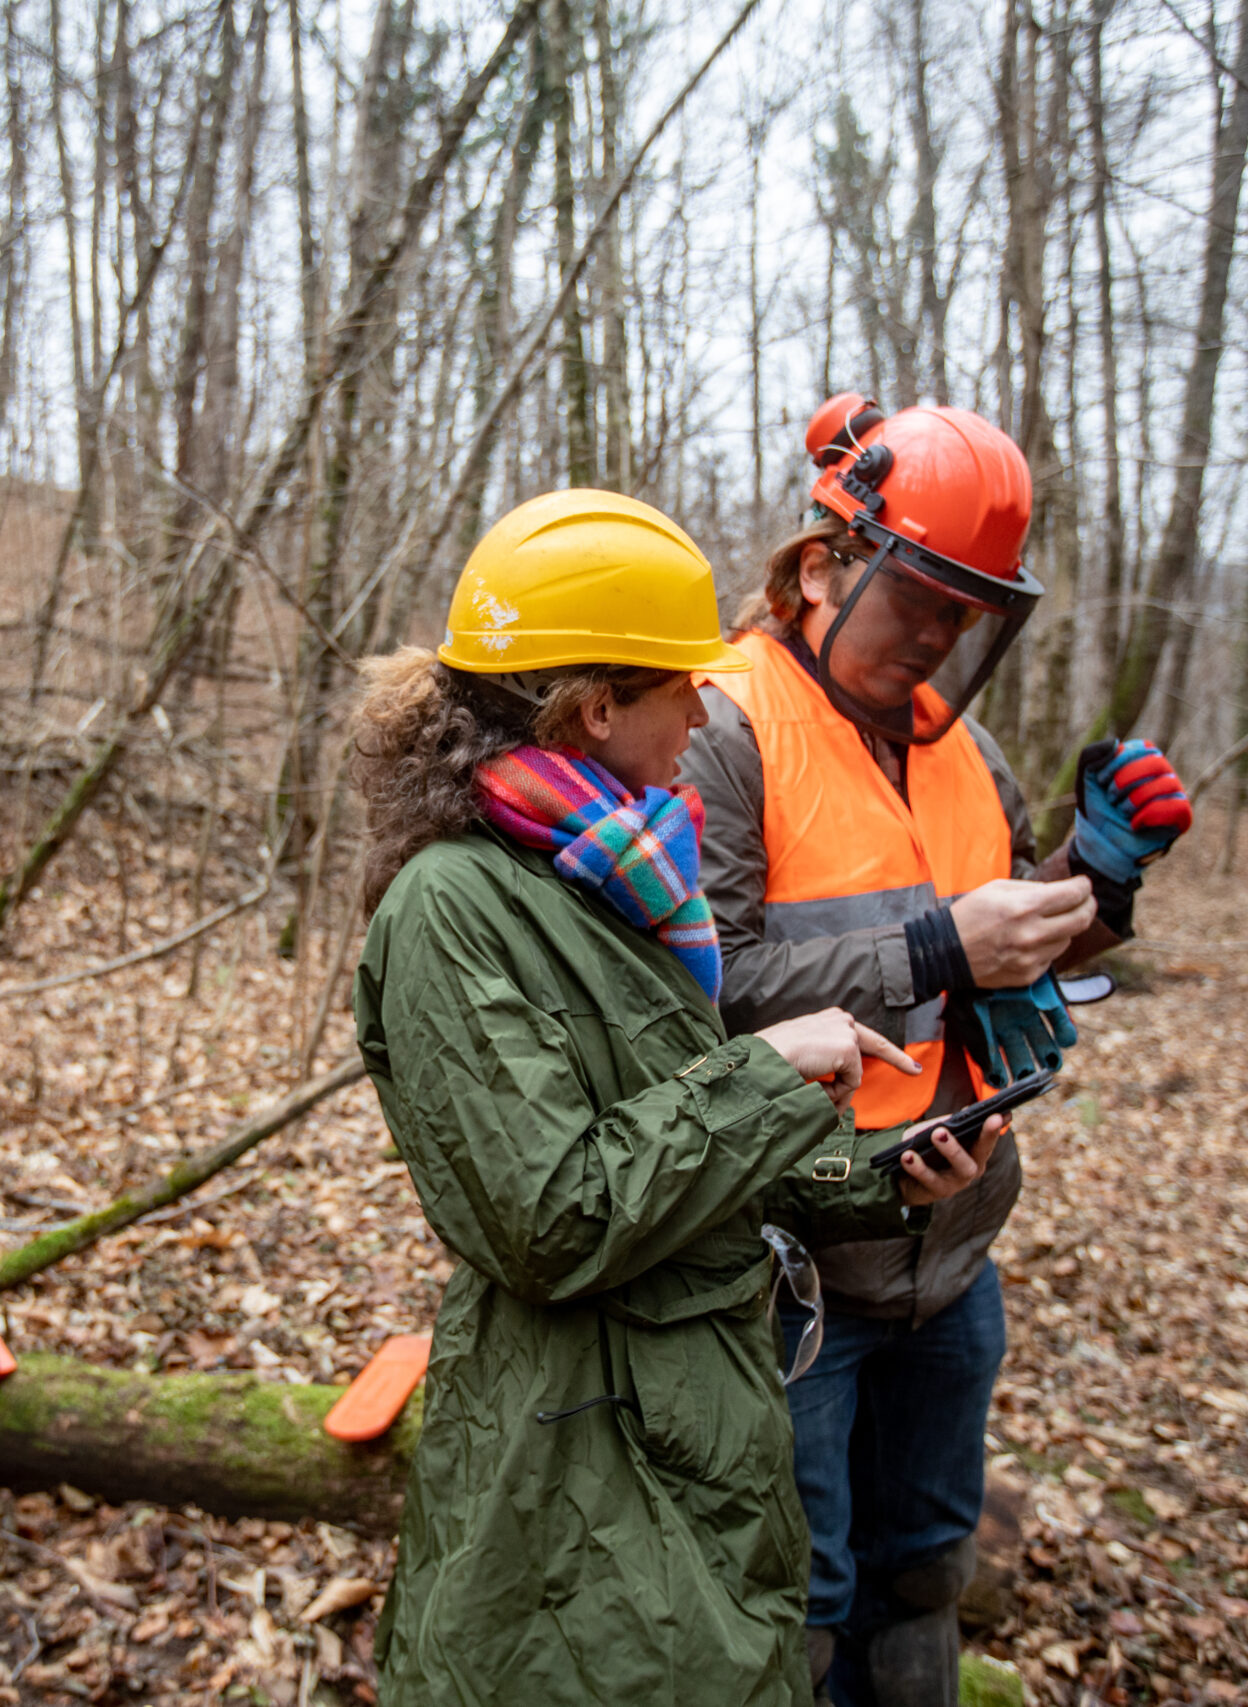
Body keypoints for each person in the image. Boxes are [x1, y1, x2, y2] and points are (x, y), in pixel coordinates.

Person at [351, 488, 1007, 1706]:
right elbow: (548, 1219)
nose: (708, 703)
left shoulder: (615, 871)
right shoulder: (454, 908)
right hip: (573, 1451)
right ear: (597, 708)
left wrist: (878, 1182)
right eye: (682, 685)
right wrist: (767, 1077)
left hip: (696, 1414)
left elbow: (674, 1141)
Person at [681, 397, 1194, 1707]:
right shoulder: (716, 725)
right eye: (919, 593)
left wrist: (1098, 880)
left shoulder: (961, 746)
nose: (939, 632)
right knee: (795, 1590)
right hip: (793, 1266)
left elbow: (1016, 956)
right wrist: (933, 947)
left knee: (921, 1572)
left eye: (969, 609)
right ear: (819, 566)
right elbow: (707, 994)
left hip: (956, 1251)